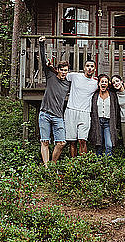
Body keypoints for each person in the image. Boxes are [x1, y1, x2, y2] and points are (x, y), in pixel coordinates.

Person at [38, 36, 70, 166]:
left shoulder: (68, 83)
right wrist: (41, 44)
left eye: (66, 70)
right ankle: (47, 168)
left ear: (68, 71)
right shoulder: (50, 76)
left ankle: (52, 164)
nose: (63, 72)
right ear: (58, 70)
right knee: (45, 141)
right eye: (62, 70)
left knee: (61, 142)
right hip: (45, 113)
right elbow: (43, 61)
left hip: (58, 116)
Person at [65, 60, 98, 157]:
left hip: (85, 112)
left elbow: (109, 84)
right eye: (88, 66)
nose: (89, 68)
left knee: (82, 140)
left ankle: (83, 163)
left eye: (92, 66)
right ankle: (73, 164)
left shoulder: (96, 83)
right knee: (72, 141)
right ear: (84, 68)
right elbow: (60, 75)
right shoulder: (75, 76)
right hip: (71, 110)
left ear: (94, 69)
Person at [89, 74, 120, 157]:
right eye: (102, 81)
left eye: (105, 82)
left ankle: (107, 164)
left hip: (108, 123)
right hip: (97, 122)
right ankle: (99, 164)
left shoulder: (112, 95)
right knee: (98, 145)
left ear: (108, 84)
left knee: (109, 145)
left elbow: (116, 109)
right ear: (98, 83)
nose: (104, 83)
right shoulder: (95, 95)